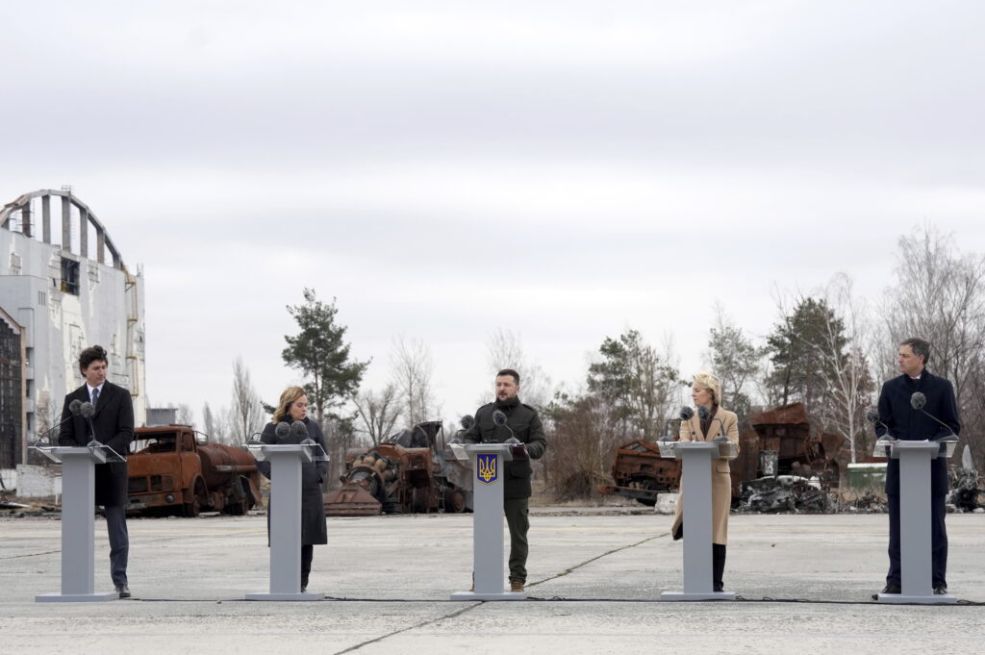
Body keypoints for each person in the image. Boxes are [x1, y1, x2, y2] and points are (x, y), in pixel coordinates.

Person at [874, 338, 959, 597]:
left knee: (935, 526)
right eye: (899, 355)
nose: (899, 359)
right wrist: (888, 439)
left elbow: (951, 427)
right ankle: (896, 580)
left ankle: (937, 580)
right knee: (897, 529)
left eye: (905, 355)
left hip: (931, 471)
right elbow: (882, 426)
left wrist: (931, 443)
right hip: (901, 470)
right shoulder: (890, 388)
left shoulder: (942, 388)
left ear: (921, 358)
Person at [58, 345, 135, 598]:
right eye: (96, 368)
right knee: (79, 530)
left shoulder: (121, 395)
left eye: (103, 367)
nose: (101, 372)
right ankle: (78, 580)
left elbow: (126, 433)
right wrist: (83, 453)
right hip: (82, 474)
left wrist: (102, 450)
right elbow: (64, 436)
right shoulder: (73, 400)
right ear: (84, 370)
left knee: (117, 530)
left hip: (112, 471)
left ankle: (120, 581)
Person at [464, 369, 547, 592]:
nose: (501, 388)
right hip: (487, 483)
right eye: (498, 384)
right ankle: (480, 578)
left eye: (506, 385)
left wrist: (525, 449)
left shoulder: (528, 415)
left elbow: (540, 444)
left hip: (515, 484)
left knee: (518, 535)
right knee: (484, 534)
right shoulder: (484, 413)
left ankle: (517, 579)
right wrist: (464, 441)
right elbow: (471, 438)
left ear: (517, 388)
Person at [670, 371, 739, 593]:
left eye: (697, 390)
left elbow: (735, 449)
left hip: (718, 479)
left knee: (717, 530)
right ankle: (695, 578)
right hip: (694, 479)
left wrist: (724, 444)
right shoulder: (688, 417)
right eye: (692, 391)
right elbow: (683, 442)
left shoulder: (729, 417)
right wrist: (686, 440)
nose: (693, 394)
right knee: (693, 526)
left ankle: (715, 583)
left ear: (710, 393)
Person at [257, 386, 328, 592]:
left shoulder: (312, 428)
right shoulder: (274, 428)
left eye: (306, 405)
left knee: (307, 538)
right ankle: (284, 581)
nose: (304, 409)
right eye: (300, 405)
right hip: (283, 493)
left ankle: (302, 583)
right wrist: (274, 475)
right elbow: (261, 457)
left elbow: (323, 455)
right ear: (288, 405)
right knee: (284, 536)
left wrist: (318, 474)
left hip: (308, 492)